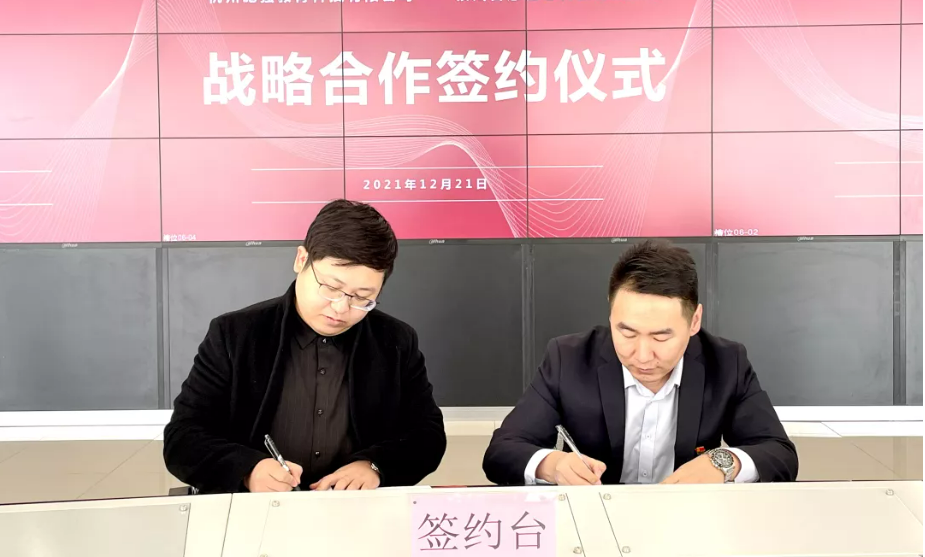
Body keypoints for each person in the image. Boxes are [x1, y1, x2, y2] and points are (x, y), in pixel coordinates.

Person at [164, 200, 446, 493]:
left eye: (362, 297)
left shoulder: (395, 340)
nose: (341, 308)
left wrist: (374, 465)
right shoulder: (235, 335)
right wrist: (248, 469)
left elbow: (427, 435)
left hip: (354, 506)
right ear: (301, 260)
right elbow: (183, 437)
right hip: (255, 506)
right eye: (331, 288)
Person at [483, 241, 798, 486]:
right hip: (595, 516)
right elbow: (502, 451)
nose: (643, 355)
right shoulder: (569, 358)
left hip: (688, 517)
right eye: (627, 332)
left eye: (661, 337)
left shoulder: (727, 363)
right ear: (611, 314)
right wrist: (553, 466)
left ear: (694, 321)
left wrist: (723, 463)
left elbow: (779, 453)